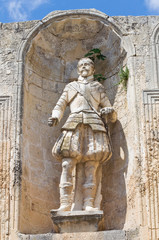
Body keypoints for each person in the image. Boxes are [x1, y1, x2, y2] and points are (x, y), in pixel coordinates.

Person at [48, 57, 116, 211]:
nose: (84, 67)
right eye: (81, 65)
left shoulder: (98, 87)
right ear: (78, 69)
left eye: (88, 64)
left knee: (91, 165)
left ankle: (89, 204)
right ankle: (65, 203)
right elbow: (60, 105)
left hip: (94, 125)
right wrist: (55, 117)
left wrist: (109, 112)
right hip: (73, 123)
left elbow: (110, 111)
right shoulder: (71, 86)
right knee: (67, 163)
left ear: (93, 69)